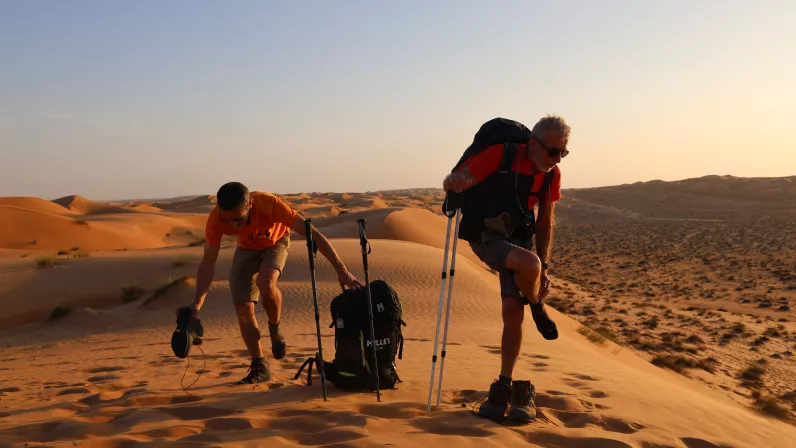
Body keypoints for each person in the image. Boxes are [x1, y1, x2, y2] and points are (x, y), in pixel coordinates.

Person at [442, 115, 570, 423]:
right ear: (533, 145)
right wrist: (454, 182)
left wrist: (545, 267)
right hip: (488, 237)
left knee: (513, 313)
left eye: (563, 153)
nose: (556, 159)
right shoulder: (500, 155)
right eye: (553, 152)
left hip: (520, 238)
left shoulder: (551, 176)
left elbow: (544, 222)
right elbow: (464, 178)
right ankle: (538, 305)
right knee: (530, 264)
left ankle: (503, 385)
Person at [188, 182, 362, 384]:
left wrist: (341, 270)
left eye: (239, 219)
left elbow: (313, 234)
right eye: (229, 221)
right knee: (242, 307)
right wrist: (196, 305)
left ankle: (274, 328)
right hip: (246, 248)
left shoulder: (270, 204)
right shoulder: (216, 219)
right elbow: (208, 262)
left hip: (276, 241)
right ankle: (260, 365)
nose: (234, 226)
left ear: (250, 204)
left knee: (266, 282)